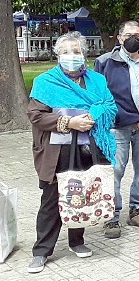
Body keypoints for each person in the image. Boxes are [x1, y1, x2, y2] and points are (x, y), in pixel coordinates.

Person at [26, 32, 118, 274]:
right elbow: (36, 115)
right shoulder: (46, 82)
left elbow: (110, 106)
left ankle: (77, 241)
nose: (71, 56)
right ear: (58, 56)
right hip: (57, 151)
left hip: (89, 149)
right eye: (66, 52)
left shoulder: (97, 80)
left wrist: (93, 116)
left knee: (83, 195)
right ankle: (41, 251)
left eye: (76, 51)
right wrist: (69, 122)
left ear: (84, 55)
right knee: (51, 200)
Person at [94, 21, 139, 238]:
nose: (133, 38)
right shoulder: (105, 62)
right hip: (117, 128)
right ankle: (111, 217)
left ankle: (137, 210)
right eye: (128, 35)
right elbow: (97, 97)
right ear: (119, 38)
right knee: (115, 172)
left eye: (137, 34)